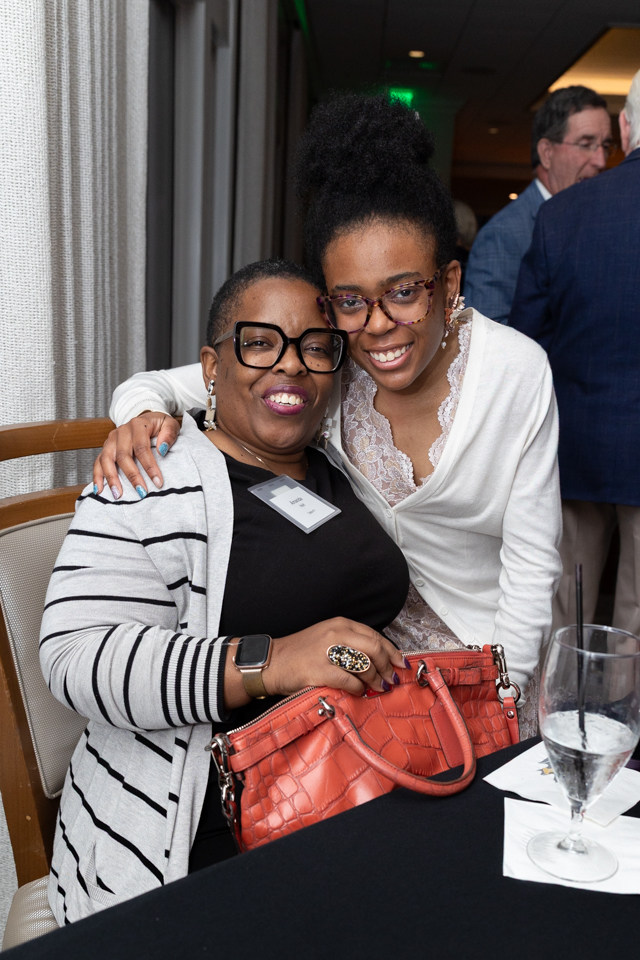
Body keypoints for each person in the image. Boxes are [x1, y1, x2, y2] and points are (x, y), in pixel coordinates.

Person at [96, 93, 562, 734]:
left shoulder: (515, 371)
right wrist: (140, 417)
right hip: (365, 670)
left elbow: (533, 569)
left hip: (489, 661)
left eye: (403, 293)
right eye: (350, 301)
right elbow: (167, 382)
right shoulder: (329, 365)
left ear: (449, 285)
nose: (378, 326)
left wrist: (497, 695)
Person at [40, 259, 410, 924]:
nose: (291, 363)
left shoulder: (333, 460)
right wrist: (273, 660)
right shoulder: (150, 473)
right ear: (211, 367)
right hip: (203, 836)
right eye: (260, 343)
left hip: (353, 793)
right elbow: (74, 657)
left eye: (314, 347)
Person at [510, 71, 640, 634]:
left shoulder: (563, 214)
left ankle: (560, 694)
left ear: (626, 128)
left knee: (565, 611)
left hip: (575, 448)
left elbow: (525, 347)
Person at [464, 86, 612, 324]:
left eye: (605, 146)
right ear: (547, 153)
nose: (601, 161)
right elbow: (488, 337)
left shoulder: (601, 224)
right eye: (586, 144)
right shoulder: (503, 236)